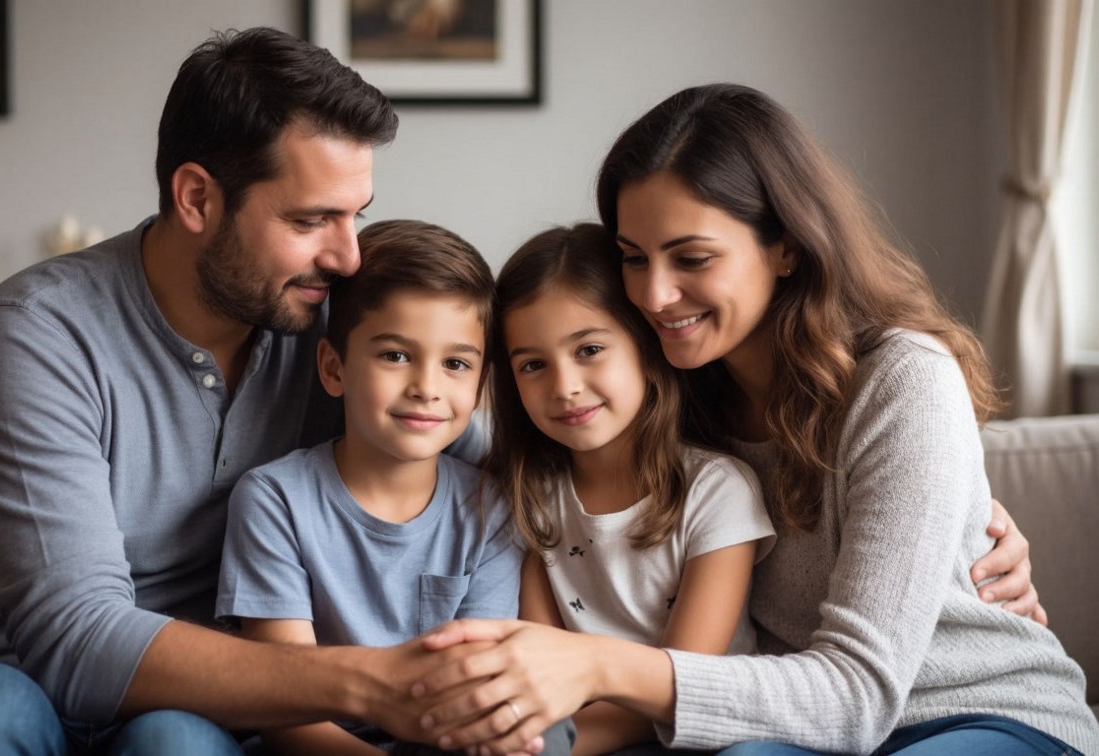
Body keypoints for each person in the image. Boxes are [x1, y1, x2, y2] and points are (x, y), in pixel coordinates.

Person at [410, 84, 1099, 755]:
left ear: (787, 245)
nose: (653, 294)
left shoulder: (903, 378)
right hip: (788, 722)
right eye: (633, 258)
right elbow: (481, 442)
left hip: (979, 713)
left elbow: (858, 695)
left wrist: (591, 666)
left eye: (692, 258)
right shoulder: (672, 389)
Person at [0, 28, 483, 756]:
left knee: (179, 742)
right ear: (196, 197)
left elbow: (505, 453)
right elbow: (75, 637)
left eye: (356, 214)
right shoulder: (34, 335)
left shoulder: (336, 334)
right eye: (310, 219)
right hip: (0, 686)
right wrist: (369, 681)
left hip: (192, 715)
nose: (348, 254)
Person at [215, 219, 571, 755]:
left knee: (547, 731)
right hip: (318, 745)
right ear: (334, 369)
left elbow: (478, 688)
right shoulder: (274, 499)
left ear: (479, 387)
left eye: (455, 364)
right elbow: (288, 716)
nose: (427, 387)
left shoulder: (490, 506)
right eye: (395, 355)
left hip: (445, 739)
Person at [488, 223, 776, 755]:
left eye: (590, 349)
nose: (564, 386)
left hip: (700, 733)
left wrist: (554, 747)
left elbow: (689, 678)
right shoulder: (530, 495)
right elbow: (541, 654)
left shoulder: (716, 492)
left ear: (645, 348)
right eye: (533, 365)